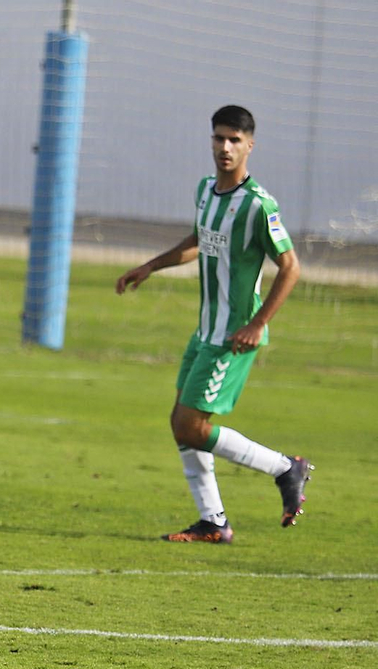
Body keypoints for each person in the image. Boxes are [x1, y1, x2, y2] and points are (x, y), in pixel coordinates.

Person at [116, 104, 308, 544]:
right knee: (181, 422)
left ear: (249, 146)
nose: (225, 147)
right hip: (205, 330)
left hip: (234, 336)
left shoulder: (259, 205)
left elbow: (291, 267)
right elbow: (199, 240)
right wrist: (151, 266)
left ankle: (285, 468)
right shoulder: (206, 191)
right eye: (219, 138)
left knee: (192, 425)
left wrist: (258, 324)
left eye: (234, 140)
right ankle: (213, 523)